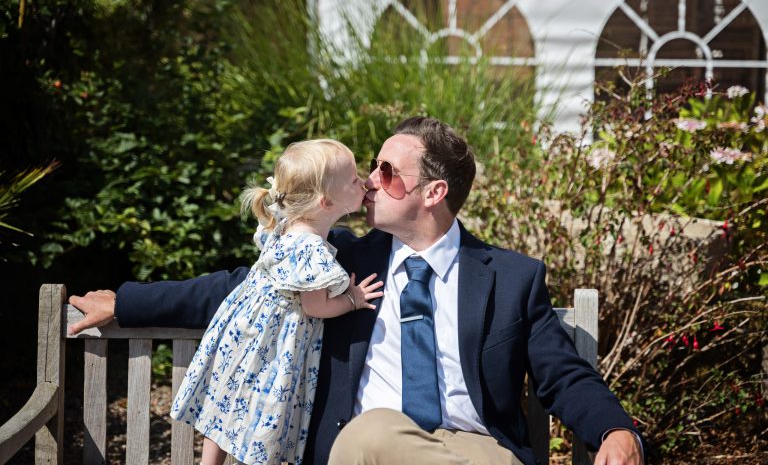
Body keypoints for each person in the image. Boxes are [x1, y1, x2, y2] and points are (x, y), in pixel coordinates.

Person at [69, 117, 644, 465]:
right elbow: (238, 289)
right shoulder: (339, 257)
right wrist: (124, 303)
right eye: (371, 167)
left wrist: (616, 430)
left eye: (388, 171)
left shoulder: (511, 278)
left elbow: (563, 373)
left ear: (433, 191)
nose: (370, 180)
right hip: (363, 451)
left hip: (475, 450)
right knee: (370, 433)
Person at [164, 139, 383, 465]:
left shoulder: (283, 226)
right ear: (325, 201)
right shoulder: (311, 249)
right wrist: (352, 299)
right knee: (265, 409)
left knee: (229, 398)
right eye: (353, 179)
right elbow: (316, 306)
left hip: (243, 332)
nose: (363, 182)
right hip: (274, 341)